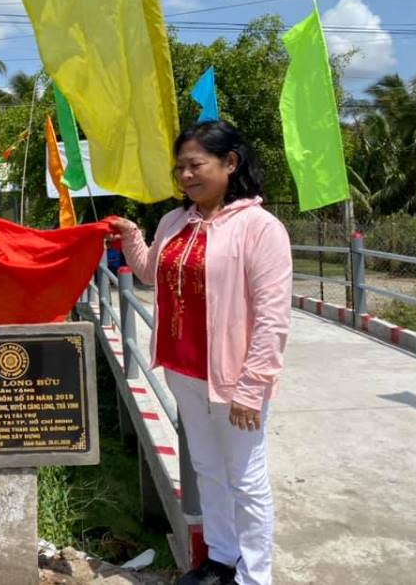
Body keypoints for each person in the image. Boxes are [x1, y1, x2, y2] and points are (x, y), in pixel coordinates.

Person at [110, 120, 292, 585]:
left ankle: (255, 576)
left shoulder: (259, 228)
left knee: (246, 481)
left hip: (235, 379)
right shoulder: (175, 221)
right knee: (207, 468)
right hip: (183, 369)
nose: (186, 176)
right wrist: (132, 233)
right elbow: (150, 273)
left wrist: (254, 386)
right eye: (180, 169)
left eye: (196, 165)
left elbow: (273, 317)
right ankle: (220, 557)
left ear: (230, 164)